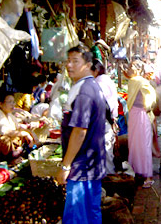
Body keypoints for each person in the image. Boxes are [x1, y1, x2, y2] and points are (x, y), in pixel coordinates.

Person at [56, 45, 106, 224]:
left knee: (77, 217)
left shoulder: (84, 91)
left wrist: (65, 166)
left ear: (88, 64)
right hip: (93, 164)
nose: (69, 65)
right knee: (92, 213)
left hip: (82, 167)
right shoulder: (91, 85)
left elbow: (79, 131)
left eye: (75, 61)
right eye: (68, 61)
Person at [127, 60, 156, 188]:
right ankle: (137, 171)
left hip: (141, 115)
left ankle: (148, 176)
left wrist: (146, 107)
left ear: (138, 70)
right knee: (135, 144)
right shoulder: (134, 81)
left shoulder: (140, 81)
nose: (129, 69)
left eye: (131, 67)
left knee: (143, 145)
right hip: (135, 115)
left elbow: (151, 97)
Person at [0, 91, 39, 164]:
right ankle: (9, 161)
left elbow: (18, 127)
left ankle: (19, 156)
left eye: (13, 102)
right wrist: (25, 134)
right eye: (10, 102)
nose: (13, 104)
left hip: (12, 143)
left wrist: (31, 134)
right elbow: (5, 132)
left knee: (23, 135)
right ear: (1, 104)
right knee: (5, 140)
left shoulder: (9, 115)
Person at [91, 58, 119, 174]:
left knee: (106, 155)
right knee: (107, 153)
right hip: (108, 121)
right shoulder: (105, 79)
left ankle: (109, 182)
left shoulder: (100, 82)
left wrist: (111, 122)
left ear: (96, 70)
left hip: (105, 122)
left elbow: (104, 105)